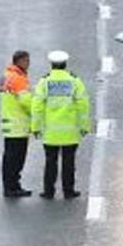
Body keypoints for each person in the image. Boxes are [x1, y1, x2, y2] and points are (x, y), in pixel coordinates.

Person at [31, 50, 90, 200]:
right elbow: (83, 105)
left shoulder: (44, 82)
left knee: (50, 162)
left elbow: (37, 106)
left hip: (50, 133)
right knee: (69, 163)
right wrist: (84, 126)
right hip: (70, 133)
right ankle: (68, 191)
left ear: (51, 64)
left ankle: (48, 191)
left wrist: (36, 127)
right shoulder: (74, 81)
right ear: (65, 64)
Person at [0, 50, 33, 198]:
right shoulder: (18, 79)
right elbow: (27, 102)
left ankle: (10, 186)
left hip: (10, 122)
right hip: (18, 124)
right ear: (19, 61)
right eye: (26, 61)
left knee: (9, 158)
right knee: (16, 158)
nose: (28, 63)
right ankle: (12, 187)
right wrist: (40, 112)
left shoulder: (7, 75)